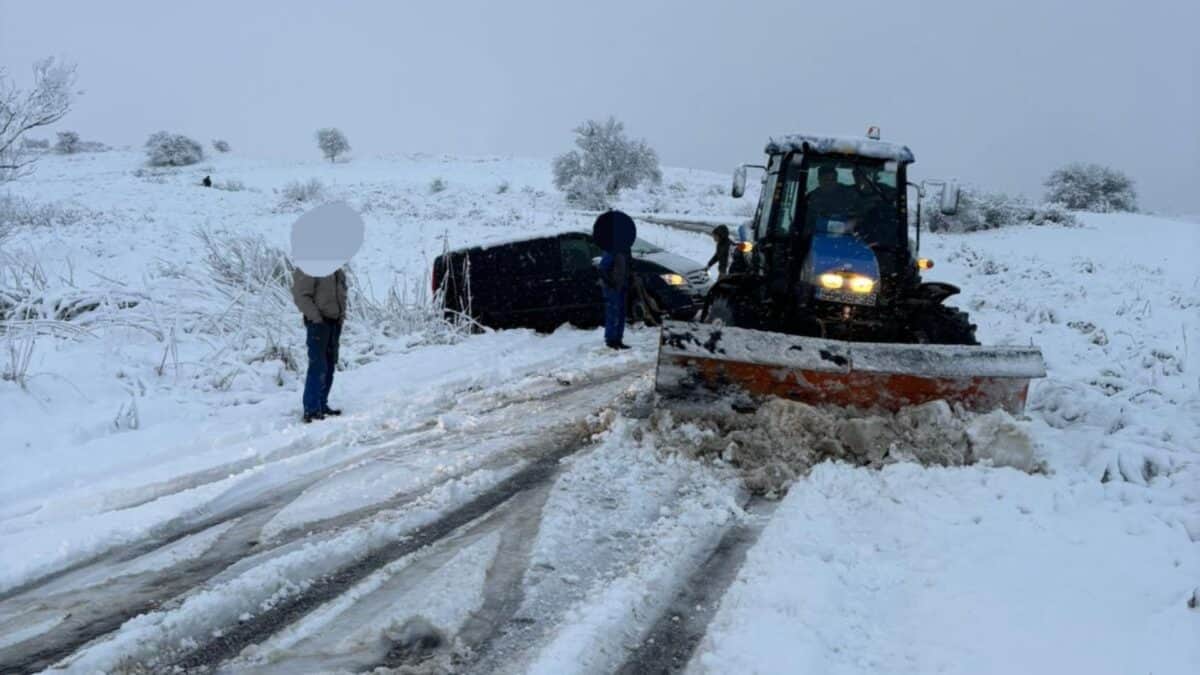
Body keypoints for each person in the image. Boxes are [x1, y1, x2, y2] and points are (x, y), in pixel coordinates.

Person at [291, 267, 348, 422]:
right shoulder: (309, 265)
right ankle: (311, 409)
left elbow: (341, 294)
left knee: (330, 364)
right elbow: (301, 296)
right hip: (318, 324)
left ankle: (322, 405)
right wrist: (316, 318)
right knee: (318, 365)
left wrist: (341, 317)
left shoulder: (336, 268)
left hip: (334, 323)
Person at [592, 210, 636, 350]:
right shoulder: (611, 251)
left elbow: (628, 267)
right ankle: (611, 339)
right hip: (612, 287)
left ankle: (618, 338)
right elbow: (602, 268)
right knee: (613, 312)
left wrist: (631, 279)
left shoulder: (625, 250)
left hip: (622, 286)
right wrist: (610, 282)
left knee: (621, 313)